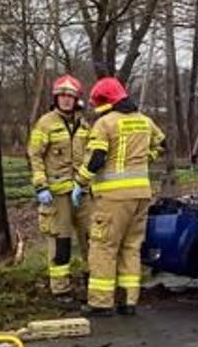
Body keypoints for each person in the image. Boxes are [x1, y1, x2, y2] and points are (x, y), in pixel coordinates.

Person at [77, 77, 165, 316]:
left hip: (113, 197)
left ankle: (100, 303)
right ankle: (128, 301)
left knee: (103, 246)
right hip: (141, 194)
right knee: (131, 247)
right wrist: (146, 159)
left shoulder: (105, 124)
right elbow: (162, 144)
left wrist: (80, 182)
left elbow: (96, 159)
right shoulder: (145, 122)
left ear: (105, 102)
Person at [28, 75, 91, 297]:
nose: (66, 100)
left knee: (91, 238)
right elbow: (34, 155)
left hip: (82, 192)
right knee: (60, 241)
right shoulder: (46, 123)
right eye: (62, 96)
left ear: (77, 99)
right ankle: (60, 288)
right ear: (56, 98)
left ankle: (91, 281)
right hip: (56, 194)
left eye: (70, 96)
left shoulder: (84, 124)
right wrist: (40, 186)